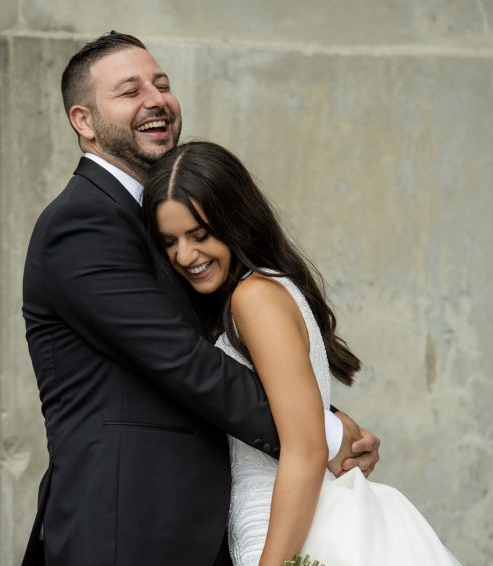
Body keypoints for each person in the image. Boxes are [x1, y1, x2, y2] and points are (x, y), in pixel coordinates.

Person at [20, 32, 380, 566]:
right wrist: (321, 431)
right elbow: (181, 360)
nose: (155, 99)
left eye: (161, 84)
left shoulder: (165, 220)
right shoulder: (81, 224)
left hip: (198, 529)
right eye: (129, 90)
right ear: (84, 121)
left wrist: (317, 420)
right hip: (127, 527)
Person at [142, 141, 461, 566]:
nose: (185, 255)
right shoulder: (263, 291)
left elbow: (307, 448)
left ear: (235, 221)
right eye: (170, 241)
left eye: (200, 235)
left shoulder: (253, 297)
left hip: (286, 531)